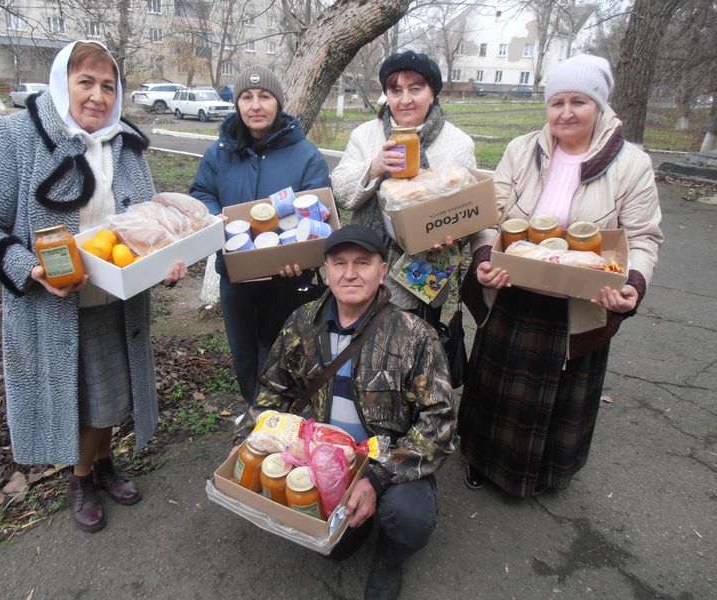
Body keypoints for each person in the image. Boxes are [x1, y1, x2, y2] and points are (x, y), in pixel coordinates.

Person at [0, 40, 188, 532]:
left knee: (113, 395)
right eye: (85, 82)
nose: (98, 96)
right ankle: (81, 477)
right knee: (86, 398)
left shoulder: (125, 143)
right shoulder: (17, 135)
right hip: (53, 306)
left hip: (120, 300)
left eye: (109, 85)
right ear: (62, 84)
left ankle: (102, 465)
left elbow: (145, 221)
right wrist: (29, 269)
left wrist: (164, 260)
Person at [458, 54, 663, 497]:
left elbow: (643, 238)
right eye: (557, 102)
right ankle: (480, 456)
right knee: (496, 388)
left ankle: (548, 472)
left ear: (600, 106)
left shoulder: (631, 165)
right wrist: (483, 261)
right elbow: (490, 218)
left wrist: (632, 285)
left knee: (562, 395)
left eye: (579, 101)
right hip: (514, 292)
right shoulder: (521, 150)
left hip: (578, 301)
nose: (566, 113)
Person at [239, 224, 455, 600]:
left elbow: (438, 422)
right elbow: (273, 389)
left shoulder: (414, 335)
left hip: (383, 458)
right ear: (325, 270)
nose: (350, 273)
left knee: (410, 518)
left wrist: (376, 477)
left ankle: (390, 558)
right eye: (339, 263)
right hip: (315, 455)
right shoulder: (302, 323)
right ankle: (345, 521)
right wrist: (259, 442)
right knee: (335, 551)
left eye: (362, 263)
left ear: (383, 270)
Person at [190, 65, 331, 405]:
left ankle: (281, 419)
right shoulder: (220, 152)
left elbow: (319, 207)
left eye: (265, 96)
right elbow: (201, 193)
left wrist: (301, 251)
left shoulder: (305, 154)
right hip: (235, 275)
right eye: (247, 97)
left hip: (287, 277)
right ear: (237, 104)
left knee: (282, 352)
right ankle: (255, 416)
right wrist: (213, 215)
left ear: (278, 103)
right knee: (244, 354)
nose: (256, 105)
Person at [332, 50, 476, 328]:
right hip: (363, 269)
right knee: (361, 351)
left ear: (432, 93)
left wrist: (451, 233)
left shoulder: (457, 143)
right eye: (396, 90)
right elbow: (340, 193)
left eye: (416, 88)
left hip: (422, 274)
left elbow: (469, 211)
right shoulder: (366, 134)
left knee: (412, 353)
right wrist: (373, 168)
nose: (405, 99)